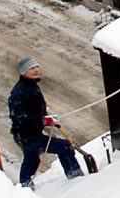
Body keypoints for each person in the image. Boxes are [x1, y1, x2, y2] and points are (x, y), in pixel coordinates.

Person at [8, 57, 83, 188]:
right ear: (23, 71)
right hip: (27, 136)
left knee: (32, 158)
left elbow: (33, 107)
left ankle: (25, 187)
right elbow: (20, 118)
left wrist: (46, 113)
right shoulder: (20, 92)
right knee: (64, 146)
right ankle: (75, 177)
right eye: (32, 68)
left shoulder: (30, 85)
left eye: (37, 67)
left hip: (30, 133)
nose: (36, 70)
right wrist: (43, 120)